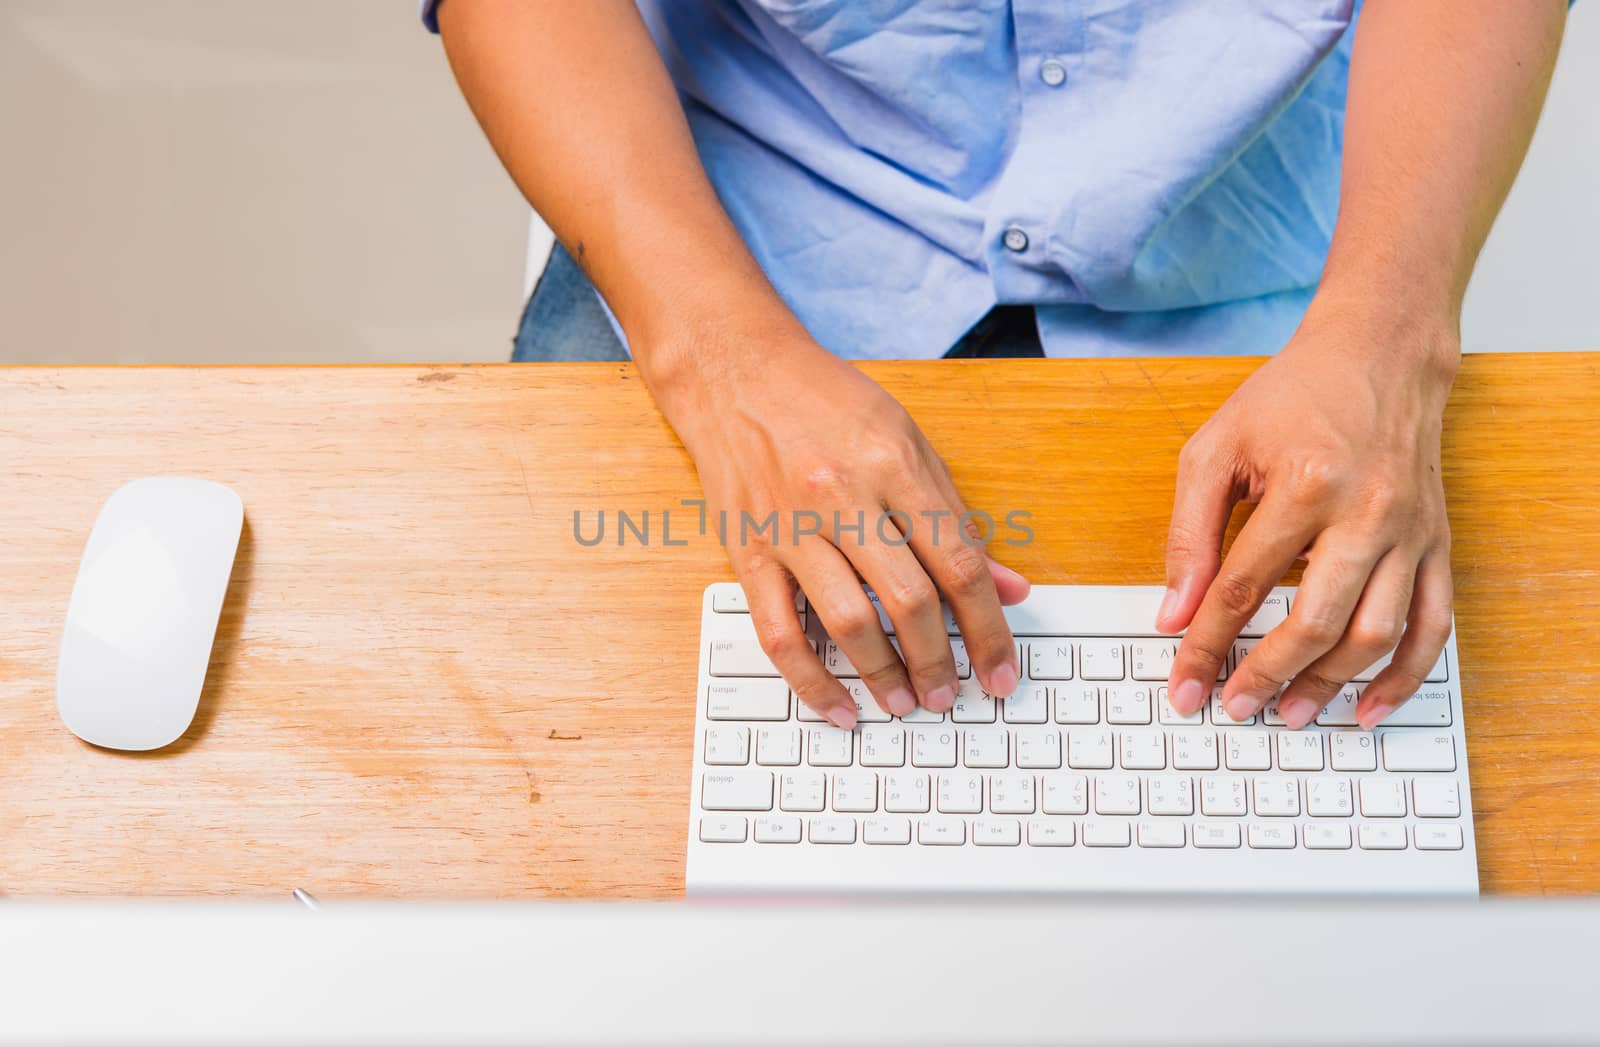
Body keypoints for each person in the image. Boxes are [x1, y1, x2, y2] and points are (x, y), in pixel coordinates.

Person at [427, 1, 1565, 731]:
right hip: (736, 208)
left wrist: (1390, 338)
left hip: (1242, 206)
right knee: (558, 738)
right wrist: (718, 361)